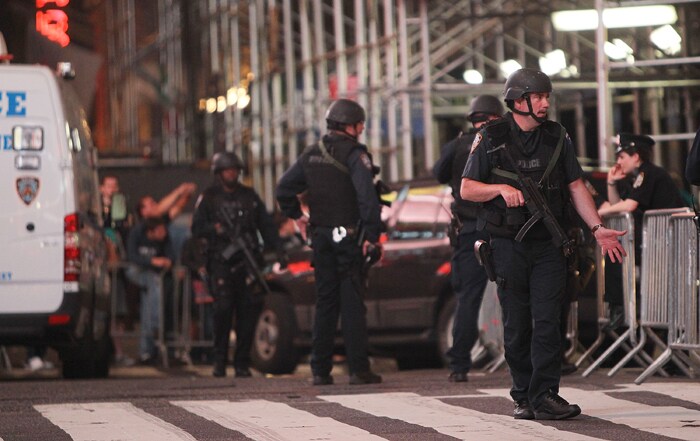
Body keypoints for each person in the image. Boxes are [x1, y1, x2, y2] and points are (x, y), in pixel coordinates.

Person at [460, 68, 627, 420]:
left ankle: (546, 394)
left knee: (549, 320)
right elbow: (467, 188)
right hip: (507, 245)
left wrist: (597, 228)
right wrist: (500, 190)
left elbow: (576, 185)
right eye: (538, 96)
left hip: (550, 244)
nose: (545, 102)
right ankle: (523, 395)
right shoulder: (491, 137)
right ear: (518, 101)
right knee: (517, 325)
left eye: (546, 96)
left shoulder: (557, 136)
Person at [275, 98, 384, 386]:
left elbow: (284, 188)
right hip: (348, 237)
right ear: (349, 125)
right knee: (351, 302)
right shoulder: (355, 154)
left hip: (321, 237)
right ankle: (359, 369)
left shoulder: (311, 153)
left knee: (325, 303)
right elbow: (367, 199)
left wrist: (297, 215)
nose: (361, 128)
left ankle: (319, 371)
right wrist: (372, 236)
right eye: (360, 123)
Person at [191, 151, 283, 378]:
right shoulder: (209, 197)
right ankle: (219, 359)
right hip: (221, 262)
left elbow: (266, 225)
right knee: (222, 310)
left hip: (247, 262)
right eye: (227, 170)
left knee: (248, 312)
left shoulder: (249, 196)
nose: (232, 174)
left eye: (235, 170)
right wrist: (216, 230)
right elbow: (196, 228)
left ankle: (241, 361)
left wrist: (278, 250)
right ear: (219, 173)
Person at [432, 94, 503, 383]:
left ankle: (459, 364)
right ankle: (524, 358)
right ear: (497, 117)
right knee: (517, 294)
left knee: (468, 299)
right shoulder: (504, 143)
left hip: (469, 232)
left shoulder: (458, 145)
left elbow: (438, 174)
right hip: (503, 230)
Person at [126, 216, 176, 365]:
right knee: (153, 281)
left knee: (148, 307)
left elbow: (171, 255)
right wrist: (152, 261)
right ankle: (156, 324)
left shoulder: (165, 239)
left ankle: (147, 349)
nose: (164, 233)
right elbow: (132, 256)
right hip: (138, 272)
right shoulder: (137, 233)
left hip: (154, 277)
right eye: (160, 231)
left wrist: (167, 261)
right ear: (151, 232)